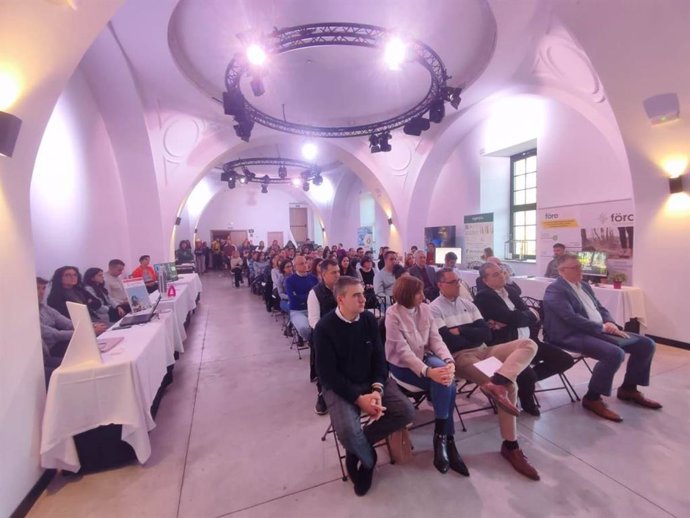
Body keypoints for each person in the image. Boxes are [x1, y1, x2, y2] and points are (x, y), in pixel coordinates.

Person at [430, 268, 540, 480]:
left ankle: (499, 379)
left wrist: (461, 331)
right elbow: (449, 341)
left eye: (458, 281)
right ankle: (511, 445)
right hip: (461, 357)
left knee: (528, 344)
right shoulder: (434, 309)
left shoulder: (468, 304)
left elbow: (486, 333)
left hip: (484, 349)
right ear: (440, 285)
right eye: (452, 282)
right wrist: (470, 332)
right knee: (510, 388)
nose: (457, 285)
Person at [314, 276, 415, 496]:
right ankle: (368, 460)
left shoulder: (368, 320)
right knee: (349, 431)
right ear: (341, 299)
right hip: (340, 386)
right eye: (356, 295)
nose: (363, 299)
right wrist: (359, 399)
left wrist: (377, 391)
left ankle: (357, 448)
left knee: (406, 411)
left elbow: (379, 359)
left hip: (371, 380)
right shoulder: (324, 328)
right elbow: (328, 374)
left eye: (363, 293)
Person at [543, 254, 661, 422]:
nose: (580, 270)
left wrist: (609, 322)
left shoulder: (584, 285)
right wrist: (601, 327)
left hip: (595, 329)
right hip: (569, 334)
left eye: (580, 266)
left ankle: (629, 388)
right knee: (614, 353)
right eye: (575, 267)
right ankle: (592, 398)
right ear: (561, 271)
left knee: (646, 344)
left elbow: (600, 308)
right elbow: (569, 317)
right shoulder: (555, 289)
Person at [385, 276, 469, 476]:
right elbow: (403, 352)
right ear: (406, 295)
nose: (423, 296)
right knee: (443, 381)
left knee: (445, 378)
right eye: (419, 292)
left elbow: (435, 339)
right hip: (402, 366)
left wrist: (448, 361)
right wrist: (428, 371)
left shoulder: (425, 309)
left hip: (424, 357)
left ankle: (443, 438)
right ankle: (447, 440)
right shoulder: (393, 314)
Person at [474, 262, 575, 416]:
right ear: (485, 281)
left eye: (502, 272)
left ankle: (519, 381)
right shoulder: (484, 296)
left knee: (565, 360)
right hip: (508, 345)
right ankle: (527, 401)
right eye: (495, 274)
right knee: (526, 375)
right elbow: (515, 317)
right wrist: (524, 316)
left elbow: (528, 316)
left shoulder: (511, 291)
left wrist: (523, 316)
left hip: (530, 339)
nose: (502, 275)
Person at [307, 259, 340, 414]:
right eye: (334, 273)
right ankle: (323, 393)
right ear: (323, 274)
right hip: (323, 334)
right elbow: (314, 320)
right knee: (325, 360)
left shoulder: (343, 288)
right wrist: (329, 334)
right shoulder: (315, 293)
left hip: (344, 330)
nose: (338, 275)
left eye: (339, 271)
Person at [285, 255, 319, 346]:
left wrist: (301, 297)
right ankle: (314, 342)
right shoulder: (289, 280)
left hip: (314, 309)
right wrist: (310, 296)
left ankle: (316, 343)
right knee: (304, 328)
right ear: (295, 266)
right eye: (301, 264)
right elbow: (293, 299)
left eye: (305, 262)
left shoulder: (313, 278)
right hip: (297, 310)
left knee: (324, 326)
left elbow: (319, 295)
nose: (305, 265)